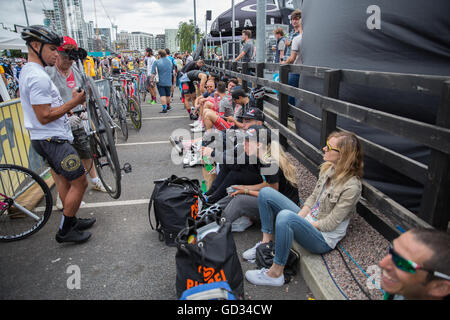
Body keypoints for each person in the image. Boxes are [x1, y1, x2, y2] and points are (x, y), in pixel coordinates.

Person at [244, 131, 364, 286]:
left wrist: (299, 223)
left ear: (343, 155)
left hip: (322, 238)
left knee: (285, 217)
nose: (324, 149)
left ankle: (275, 274)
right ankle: (265, 244)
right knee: (266, 193)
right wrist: (300, 218)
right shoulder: (329, 169)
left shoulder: (352, 187)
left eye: (329, 147)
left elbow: (331, 223)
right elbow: (313, 198)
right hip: (310, 221)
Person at [19, 25, 94, 244]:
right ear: (35, 46)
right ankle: (66, 229)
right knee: (80, 182)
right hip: (53, 140)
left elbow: (45, 108)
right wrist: (74, 102)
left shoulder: (30, 71)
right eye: (52, 49)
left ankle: (70, 220)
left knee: (65, 182)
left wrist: (67, 105)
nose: (56, 54)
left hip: (46, 139)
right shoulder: (38, 76)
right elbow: (44, 115)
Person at [45, 36, 107, 210]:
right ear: (57, 54)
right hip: (55, 123)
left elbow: (84, 91)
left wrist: (85, 107)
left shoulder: (76, 71)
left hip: (76, 120)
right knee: (60, 163)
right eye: (65, 57)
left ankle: (95, 180)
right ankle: (61, 196)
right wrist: (66, 109)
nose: (69, 61)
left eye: (71, 58)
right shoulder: (48, 73)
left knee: (86, 151)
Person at [379, 228, 450, 300]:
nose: (382, 263)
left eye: (403, 263)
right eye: (391, 250)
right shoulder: (399, 290)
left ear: (440, 287)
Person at [281, 9, 303, 107]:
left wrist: (285, 62)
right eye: (293, 19)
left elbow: (293, 55)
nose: (294, 21)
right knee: (290, 90)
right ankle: (291, 113)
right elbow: (289, 50)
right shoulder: (291, 33)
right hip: (290, 64)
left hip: (297, 65)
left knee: (290, 89)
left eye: (297, 19)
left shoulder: (301, 34)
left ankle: (291, 112)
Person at [152, 49, 173, 113]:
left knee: (162, 95)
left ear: (160, 55)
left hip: (160, 81)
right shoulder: (170, 61)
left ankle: (164, 108)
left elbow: (153, 73)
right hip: (169, 80)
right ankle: (168, 106)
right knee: (168, 95)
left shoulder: (157, 62)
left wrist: (151, 80)